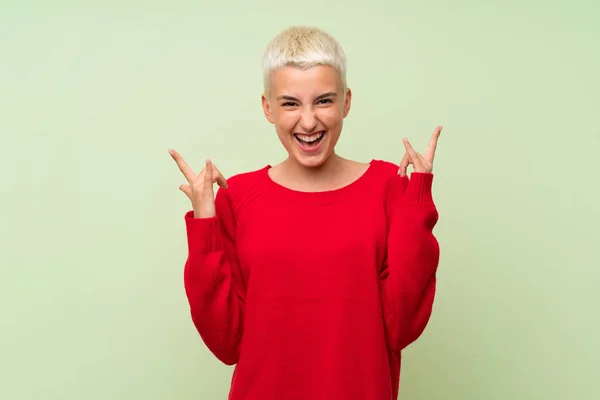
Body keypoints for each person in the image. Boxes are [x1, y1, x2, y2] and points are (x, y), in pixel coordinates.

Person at [169, 25, 442, 400]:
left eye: (324, 101)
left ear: (346, 102)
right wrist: (205, 224)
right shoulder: (238, 197)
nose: (309, 121)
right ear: (268, 107)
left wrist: (417, 201)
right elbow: (225, 342)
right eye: (290, 103)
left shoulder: (387, 188)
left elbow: (403, 326)